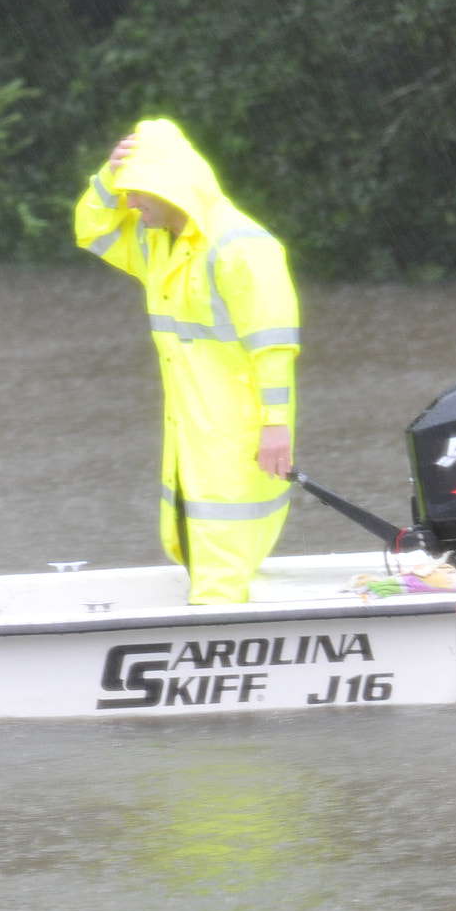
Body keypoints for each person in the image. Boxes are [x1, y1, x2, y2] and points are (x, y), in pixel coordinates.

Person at [74, 119, 300, 604]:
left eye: (137, 192)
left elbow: (274, 342)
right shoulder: (156, 241)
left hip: (235, 423)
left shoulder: (241, 246)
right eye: (126, 192)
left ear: (169, 185)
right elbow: (91, 229)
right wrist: (106, 177)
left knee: (222, 533)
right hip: (190, 420)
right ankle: (215, 614)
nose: (129, 202)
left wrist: (275, 425)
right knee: (191, 525)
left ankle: (218, 628)